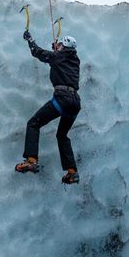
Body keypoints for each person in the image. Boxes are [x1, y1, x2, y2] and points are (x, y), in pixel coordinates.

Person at [15, 31, 81, 184]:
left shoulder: (58, 57)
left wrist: (30, 40)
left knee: (34, 123)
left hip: (62, 99)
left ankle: (31, 160)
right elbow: (59, 59)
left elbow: (37, 52)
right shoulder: (75, 60)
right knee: (62, 135)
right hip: (75, 102)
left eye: (59, 45)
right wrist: (57, 50)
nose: (56, 46)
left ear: (63, 46)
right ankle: (72, 172)